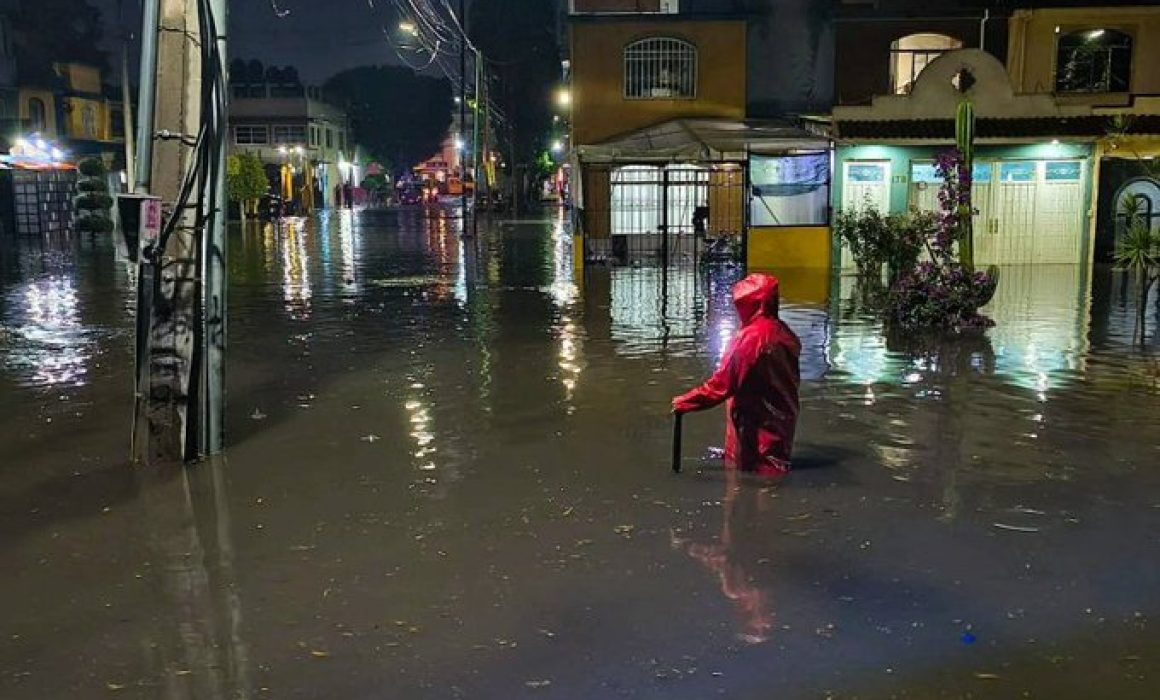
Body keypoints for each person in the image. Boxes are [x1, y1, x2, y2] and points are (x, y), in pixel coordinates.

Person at [672, 273, 801, 476]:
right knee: (773, 465)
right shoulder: (783, 332)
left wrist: (686, 402)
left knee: (751, 478)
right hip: (780, 420)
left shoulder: (751, 340)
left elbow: (722, 385)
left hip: (755, 426)